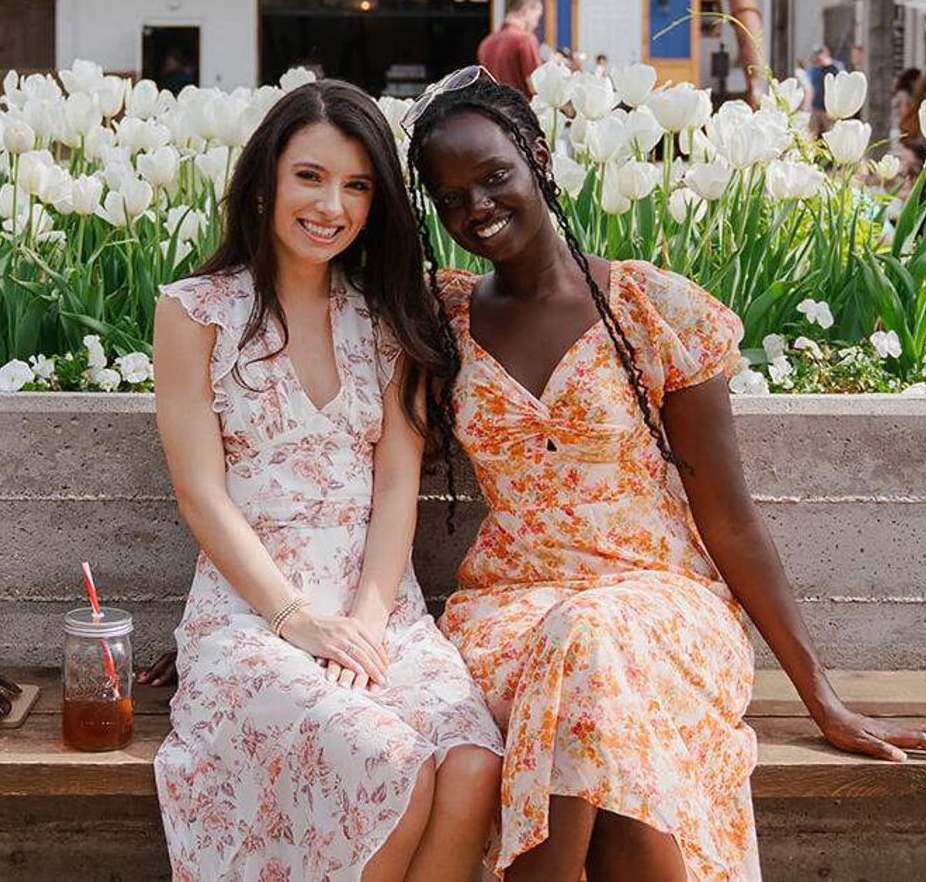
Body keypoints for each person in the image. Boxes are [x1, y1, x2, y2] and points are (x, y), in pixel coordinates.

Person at [404, 68, 925, 880]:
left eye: (494, 175)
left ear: (538, 157)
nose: (476, 206)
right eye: (450, 196)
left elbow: (730, 517)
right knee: (600, 706)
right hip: (510, 613)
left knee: (594, 644)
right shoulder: (447, 319)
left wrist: (821, 696)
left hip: (662, 606)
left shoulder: (653, 311)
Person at [153, 80, 502, 881]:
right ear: (266, 181)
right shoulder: (197, 314)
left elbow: (397, 485)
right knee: (392, 764)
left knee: (473, 761)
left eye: (356, 185)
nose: (331, 206)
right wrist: (299, 621)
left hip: (379, 608)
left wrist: (368, 622)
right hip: (253, 616)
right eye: (309, 177)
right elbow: (200, 493)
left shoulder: (388, 318)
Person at [476, 0, 543, 97]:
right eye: (537, 17)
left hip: (493, 106)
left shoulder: (486, 43)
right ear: (525, 11)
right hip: (520, 106)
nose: (537, 24)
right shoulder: (525, 39)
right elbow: (537, 85)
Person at [805, 44, 838, 133]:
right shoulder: (814, 69)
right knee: (812, 134)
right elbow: (810, 88)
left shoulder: (835, 68)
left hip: (829, 111)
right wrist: (807, 107)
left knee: (830, 134)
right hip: (815, 108)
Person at [892, 66, 923, 141]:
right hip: (898, 130)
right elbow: (904, 113)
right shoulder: (904, 95)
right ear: (912, 81)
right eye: (919, 81)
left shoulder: (901, 94)